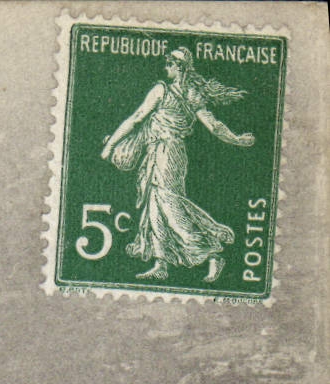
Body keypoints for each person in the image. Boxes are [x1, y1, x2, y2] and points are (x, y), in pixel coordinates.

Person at [100, 47, 255, 282]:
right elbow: (214, 126)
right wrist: (236, 139)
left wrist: (111, 145)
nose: (166, 68)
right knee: (155, 206)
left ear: (178, 66)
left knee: (170, 206)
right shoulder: (192, 94)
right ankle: (161, 263)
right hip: (165, 153)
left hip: (167, 153)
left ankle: (212, 253)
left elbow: (137, 117)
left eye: (169, 64)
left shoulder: (162, 90)